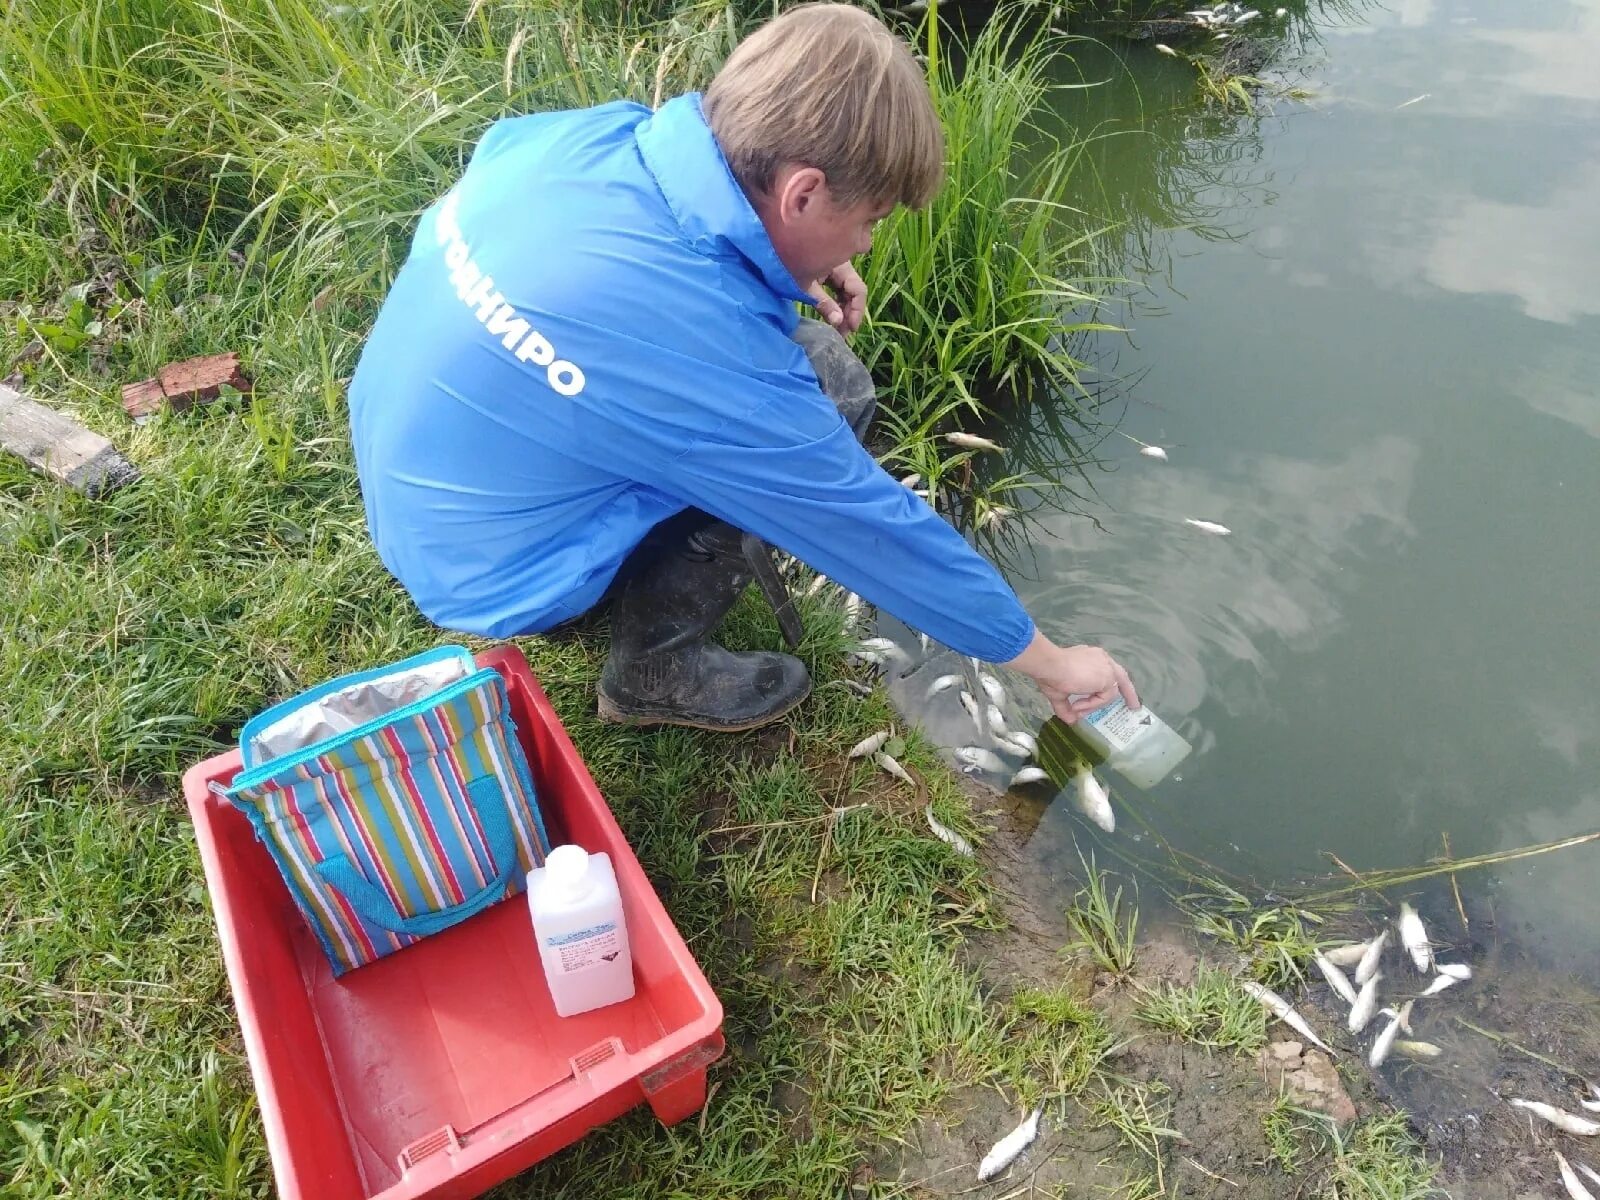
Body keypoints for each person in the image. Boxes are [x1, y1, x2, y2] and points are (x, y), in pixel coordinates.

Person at [349, 3, 1138, 734]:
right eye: (865, 222)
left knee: (788, 375)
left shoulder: (589, 139)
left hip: (409, 483)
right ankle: (653, 673)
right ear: (802, 193)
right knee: (833, 387)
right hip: (492, 577)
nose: (864, 245)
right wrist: (1052, 661)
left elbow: (642, 287)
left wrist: (778, 268)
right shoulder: (707, 361)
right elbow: (870, 530)